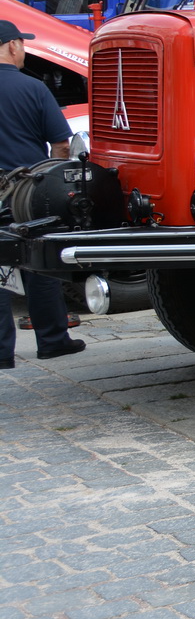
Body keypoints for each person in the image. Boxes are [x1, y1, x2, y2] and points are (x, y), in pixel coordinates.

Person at [0, 19, 83, 368]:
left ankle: (1, 353)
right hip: (26, 190)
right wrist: (50, 180)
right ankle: (52, 340)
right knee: (39, 263)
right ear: (13, 45)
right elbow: (61, 144)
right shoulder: (33, 88)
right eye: (22, 44)